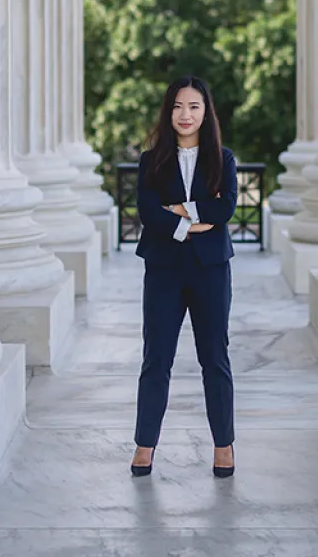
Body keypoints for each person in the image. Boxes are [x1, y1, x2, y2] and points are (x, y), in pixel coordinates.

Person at [130, 76, 238, 479]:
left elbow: (225, 207)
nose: (185, 114)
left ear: (205, 111)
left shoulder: (223, 158)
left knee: (215, 358)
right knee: (156, 358)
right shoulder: (151, 159)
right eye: (177, 106)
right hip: (163, 269)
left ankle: (224, 445)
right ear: (168, 111)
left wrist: (177, 210)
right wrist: (189, 222)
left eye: (193, 106)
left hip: (211, 270)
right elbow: (148, 210)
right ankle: (144, 445)